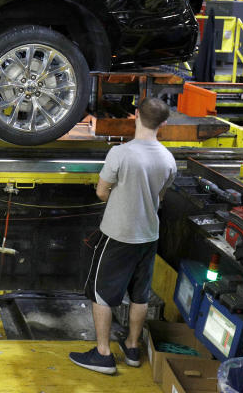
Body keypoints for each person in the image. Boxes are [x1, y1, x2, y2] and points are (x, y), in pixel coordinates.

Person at [69, 97, 177, 375]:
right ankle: (131, 347)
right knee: (140, 295)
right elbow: (160, 197)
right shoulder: (168, 159)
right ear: (163, 124)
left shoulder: (121, 153)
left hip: (118, 235)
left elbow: (101, 192)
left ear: (135, 116)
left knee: (101, 293)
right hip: (149, 236)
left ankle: (103, 354)